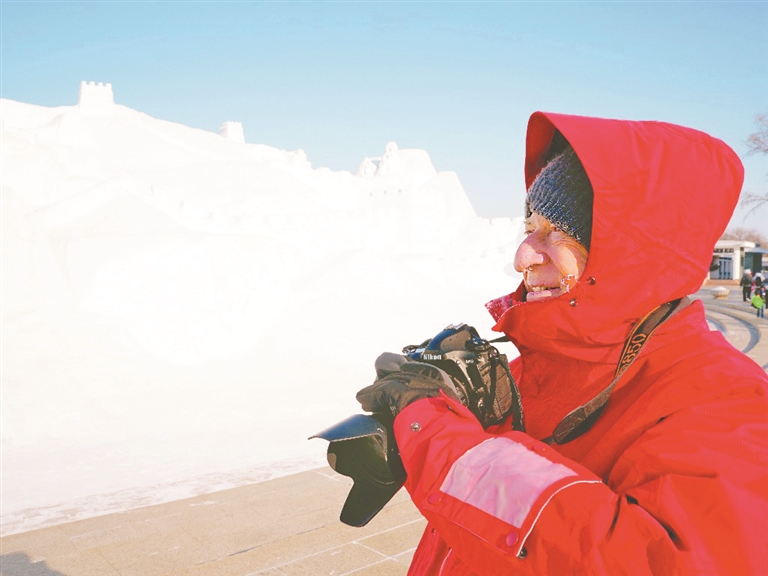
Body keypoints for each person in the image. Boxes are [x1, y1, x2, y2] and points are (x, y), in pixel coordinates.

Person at [356, 112, 768, 575]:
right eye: (529, 228)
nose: (522, 257)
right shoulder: (542, 366)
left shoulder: (726, 402)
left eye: (558, 231)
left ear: (636, 254)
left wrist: (435, 436)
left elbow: (653, 561)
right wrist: (475, 413)